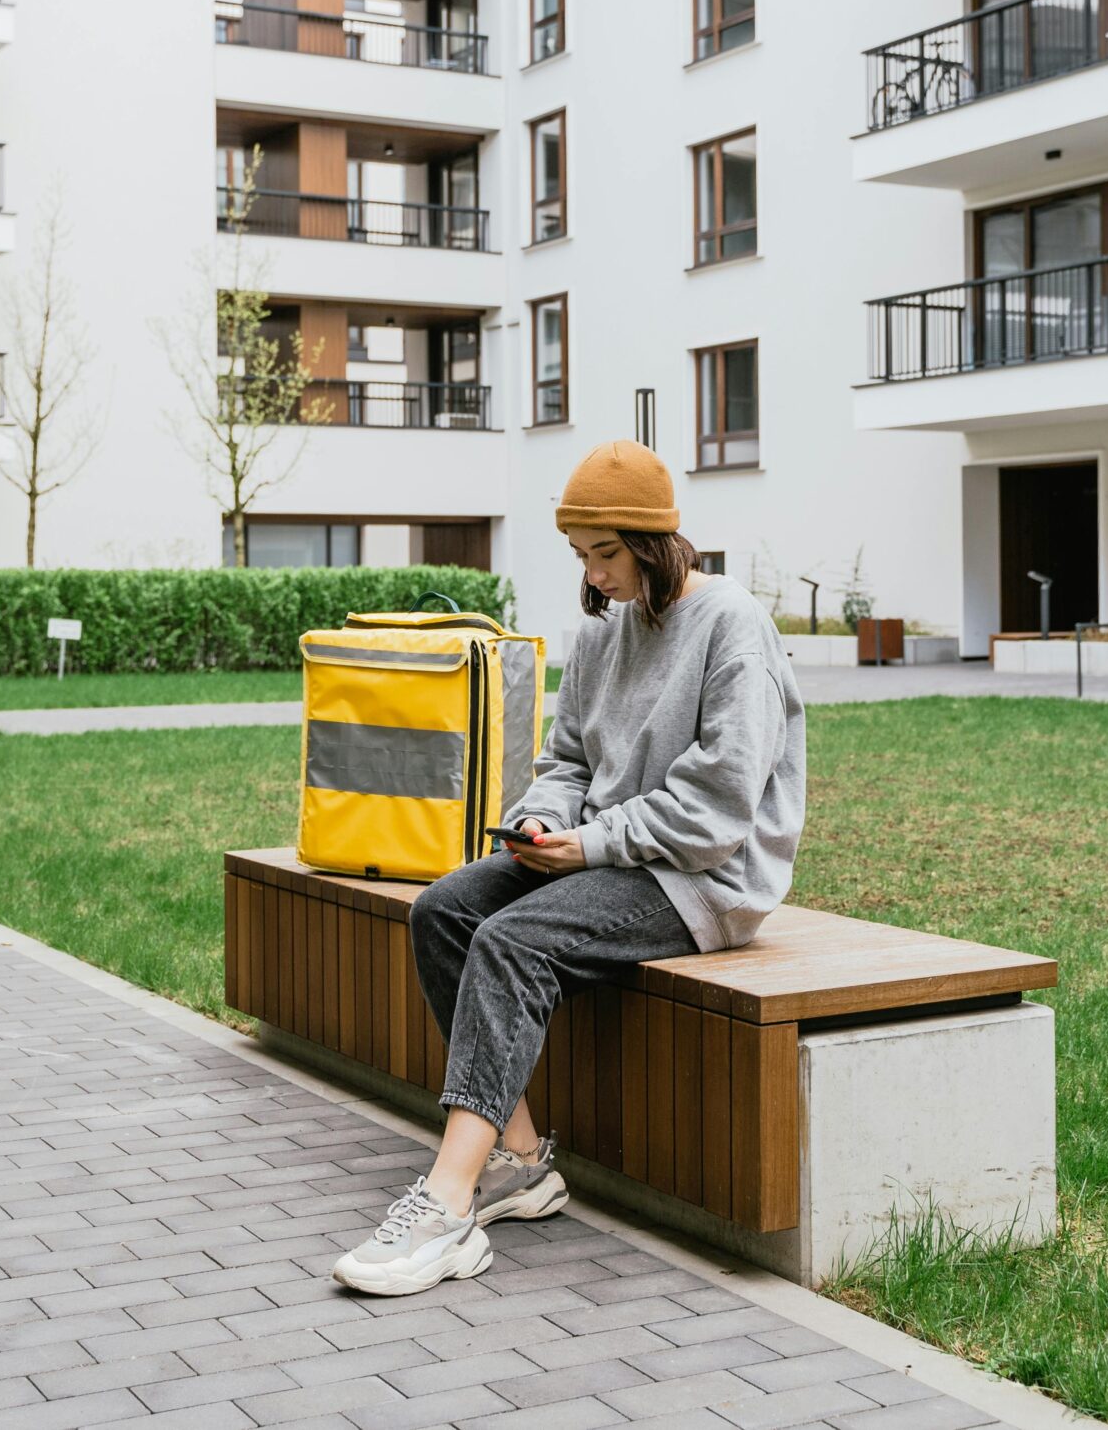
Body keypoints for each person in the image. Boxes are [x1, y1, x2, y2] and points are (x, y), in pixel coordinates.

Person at [330, 439, 807, 1295]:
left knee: (512, 941)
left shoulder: (733, 625)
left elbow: (720, 808)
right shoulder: (603, 631)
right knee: (444, 908)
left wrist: (585, 843)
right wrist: (543, 818)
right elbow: (570, 761)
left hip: (703, 878)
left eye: (608, 553)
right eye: (581, 555)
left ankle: (447, 1203)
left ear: (657, 542)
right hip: (605, 851)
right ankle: (518, 1162)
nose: (594, 574)